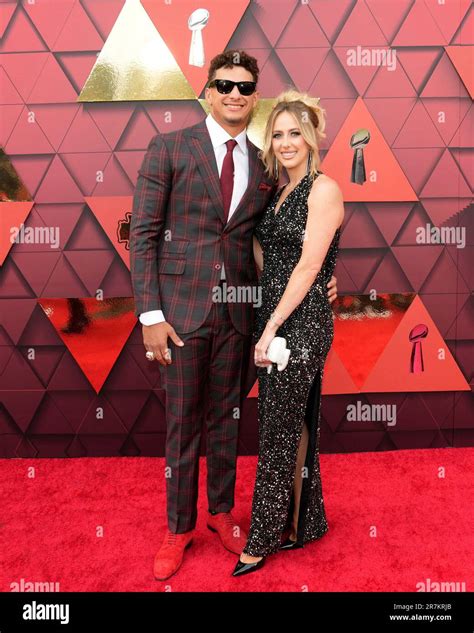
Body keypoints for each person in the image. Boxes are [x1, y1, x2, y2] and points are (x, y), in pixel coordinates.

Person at [129, 50, 338, 581]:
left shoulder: (265, 163)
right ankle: (179, 528)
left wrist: (325, 277)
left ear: (255, 96)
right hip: (179, 313)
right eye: (225, 85)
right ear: (208, 89)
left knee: (226, 420)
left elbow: (290, 240)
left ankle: (221, 514)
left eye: (245, 88)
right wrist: (150, 313)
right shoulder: (169, 147)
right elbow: (145, 236)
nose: (235, 95)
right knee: (181, 423)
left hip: (241, 315)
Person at [232, 91, 344, 577]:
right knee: (294, 423)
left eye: (295, 133)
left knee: (277, 427)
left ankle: (262, 535)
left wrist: (274, 323)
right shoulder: (277, 193)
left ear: (313, 136)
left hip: (299, 323)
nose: (285, 142)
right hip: (275, 317)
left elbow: (309, 265)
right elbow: (271, 258)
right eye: (276, 134)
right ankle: (304, 520)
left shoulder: (324, 189)